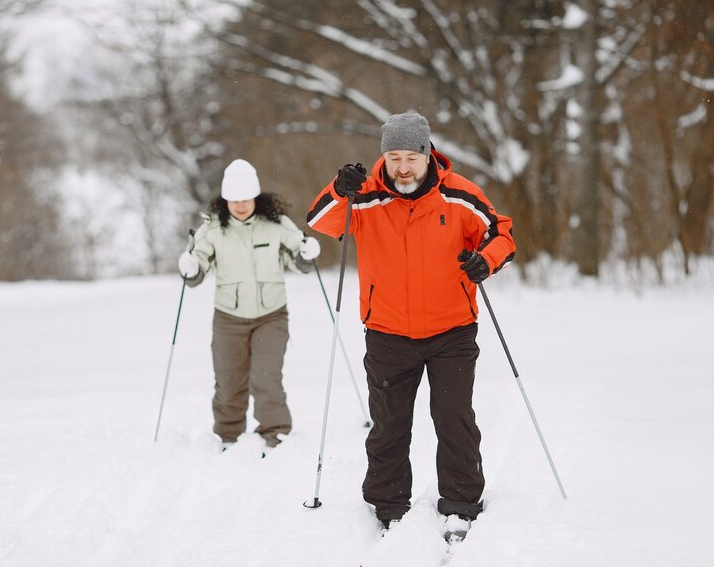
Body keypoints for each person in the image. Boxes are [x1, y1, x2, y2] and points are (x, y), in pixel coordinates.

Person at [306, 112, 515, 532]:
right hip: (387, 332)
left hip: (452, 330)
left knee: (453, 418)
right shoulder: (362, 196)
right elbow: (319, 221)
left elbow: (501, 236)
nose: (402, 167)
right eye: (394, 156)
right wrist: (338, 189)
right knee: (389, 425)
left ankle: (460, 503)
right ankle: (388, 507)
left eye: (410, 157)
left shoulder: (459, 194)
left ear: (426, 154)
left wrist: (483, 261)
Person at [178, 159, 322, 451]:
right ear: (225, 200)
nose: (241, 206)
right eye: (234, 200)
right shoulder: (213, 229)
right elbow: (198, 266)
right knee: (229, 382)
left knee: (266, 377)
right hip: (228, 318)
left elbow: (299, 255)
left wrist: (307, 253)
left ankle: (275, 436)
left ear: (256, 197)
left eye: (246, 199)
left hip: (271, 315)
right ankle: (227, 437)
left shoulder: (276, 224)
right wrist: (191, 268)